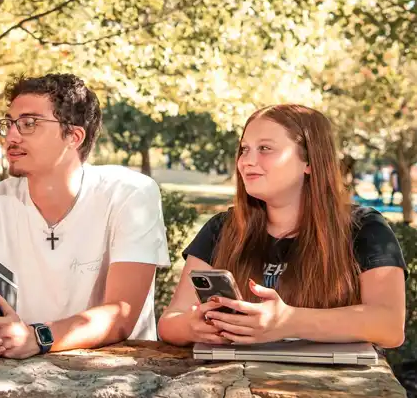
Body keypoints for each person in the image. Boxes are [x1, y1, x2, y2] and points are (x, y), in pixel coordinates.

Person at [0, 73, 169, 359]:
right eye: (9, 123)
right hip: (14, 374)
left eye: (29, 124)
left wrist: (38, 336)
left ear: (73, 137)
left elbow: (121, 314)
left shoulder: (131, 194)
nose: (11, 136)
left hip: (117, 373)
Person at [158, 104, 406, 348]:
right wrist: (192, 326)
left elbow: (390, 325)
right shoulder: (221, 229)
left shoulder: (364, 228)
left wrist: (288, 321)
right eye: (244, 149)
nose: (246, 161)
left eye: (265, 148)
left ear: (309, 162)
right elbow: (169, 322)